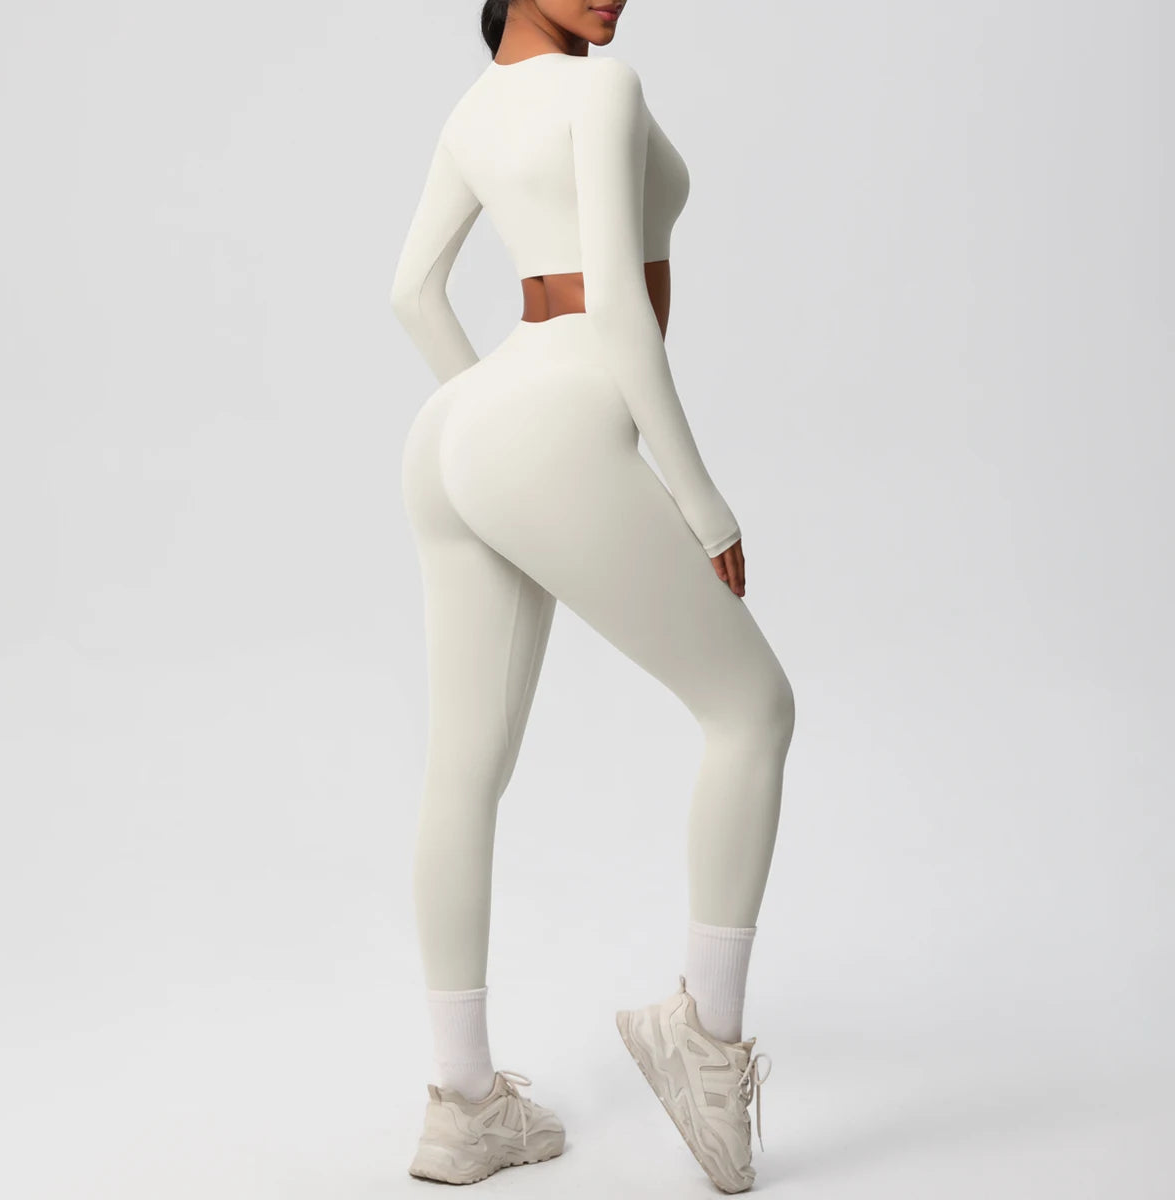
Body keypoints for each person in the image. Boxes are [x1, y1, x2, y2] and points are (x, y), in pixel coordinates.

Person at [390, 1, 795, 1191]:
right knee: (753, 713)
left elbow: (411, 294)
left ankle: (464, 1109)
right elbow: (617, 303)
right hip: (553, 408)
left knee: (461, 774)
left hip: (456, 426)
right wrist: (702, 504)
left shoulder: (470, 114)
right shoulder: (601, 90)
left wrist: (490, 430)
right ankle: (703, 1040)